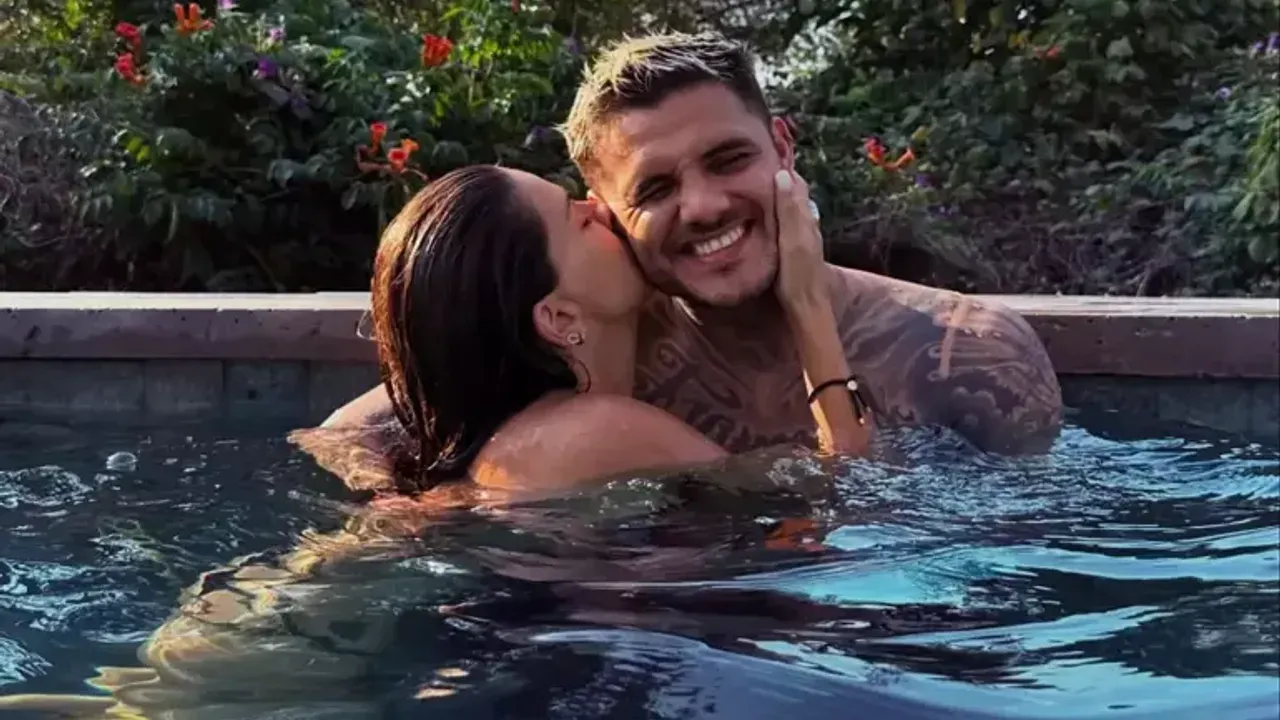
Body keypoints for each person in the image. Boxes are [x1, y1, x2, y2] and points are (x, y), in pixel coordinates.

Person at [322, 32, 1062, 487]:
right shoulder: (600, 345)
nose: (704, 206)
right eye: (656, 188)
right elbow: (351, 433)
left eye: (729, 158)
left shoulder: (965, 354)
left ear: (782, 147)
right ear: (607, 210)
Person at [351, 160, 871, 498]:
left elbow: (341, 428)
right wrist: (808, 301)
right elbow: (842, 498)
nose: (600, 207)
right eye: (579, 219)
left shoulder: (518, 442)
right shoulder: (601, 429)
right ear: (559, 318)